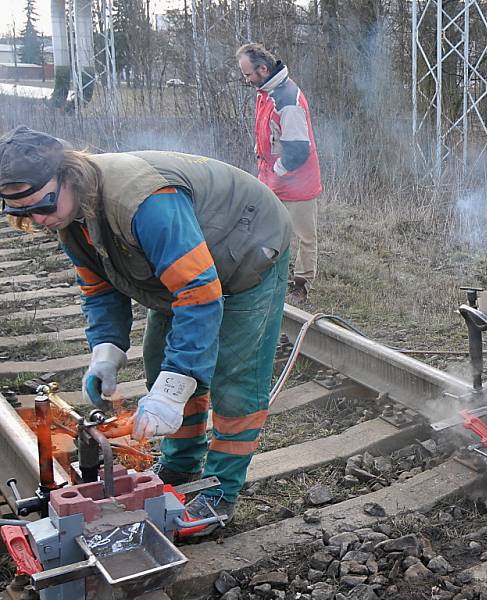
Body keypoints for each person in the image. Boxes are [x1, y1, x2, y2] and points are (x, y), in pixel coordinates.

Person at [0, 126, 292, 537]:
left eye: (43, 206)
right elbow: (99, 287)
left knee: (235, 380)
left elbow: (199, 292)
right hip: (185, 267)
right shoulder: (70, 215)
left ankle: (220, 492)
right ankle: (181, 462)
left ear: (69, 173)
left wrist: (177, 388)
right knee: (160, 360)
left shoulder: (144, 202)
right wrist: (106, 350)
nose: (39, 220)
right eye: (23, 215)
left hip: (247, 247)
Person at [236, 43, 322, 304]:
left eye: (248, 74)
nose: (246, 79)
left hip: (299, 183)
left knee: (304, 237)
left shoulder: (288, 100)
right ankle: (270, 279)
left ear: (263, 69)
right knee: (266, 231)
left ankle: (301, 286)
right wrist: (259, 150)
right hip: (271, 180)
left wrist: (276, 171)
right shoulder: (266, 92)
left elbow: (297, 151)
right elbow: (269, 130)